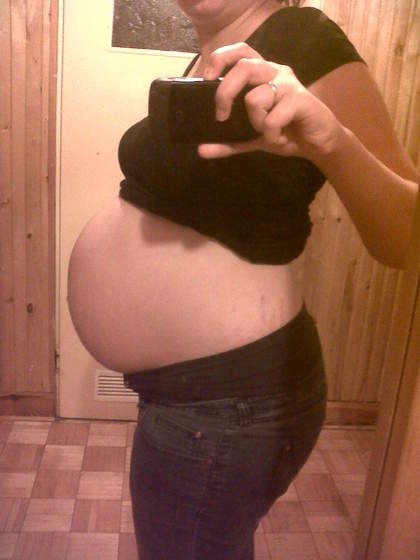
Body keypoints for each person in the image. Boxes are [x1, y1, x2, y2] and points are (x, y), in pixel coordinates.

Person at [67, 1, 419, 559]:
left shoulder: (307, 36)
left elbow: (406, 238)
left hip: (229, 403)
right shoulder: (206, 58)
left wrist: (331, 140)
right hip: (199, 400)